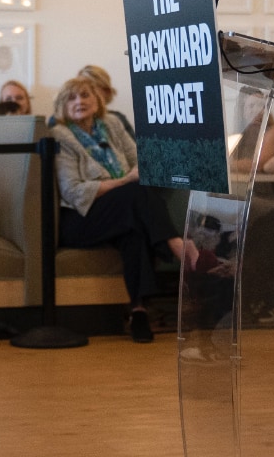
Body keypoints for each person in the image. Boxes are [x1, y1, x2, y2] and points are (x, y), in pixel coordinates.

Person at [50, 74, 189, 343]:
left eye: (85, 95)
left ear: (97, 99)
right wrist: (124, 180)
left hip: (123, 209)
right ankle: (175, 244)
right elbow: (74, 191)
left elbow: (142, 161)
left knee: (134, 232)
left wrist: (140, 174)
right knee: (135, 193)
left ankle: (138, 312)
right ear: (62, 106)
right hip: (80, 217)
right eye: (72, 97)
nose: (80, 101)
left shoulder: (111, 123)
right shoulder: (60, 135)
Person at [76, 64, 133, 135]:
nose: (80, 99)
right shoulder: (67, 122)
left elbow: (135, 146)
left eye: (91, 89)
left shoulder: (118, 119)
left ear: (107, 92)